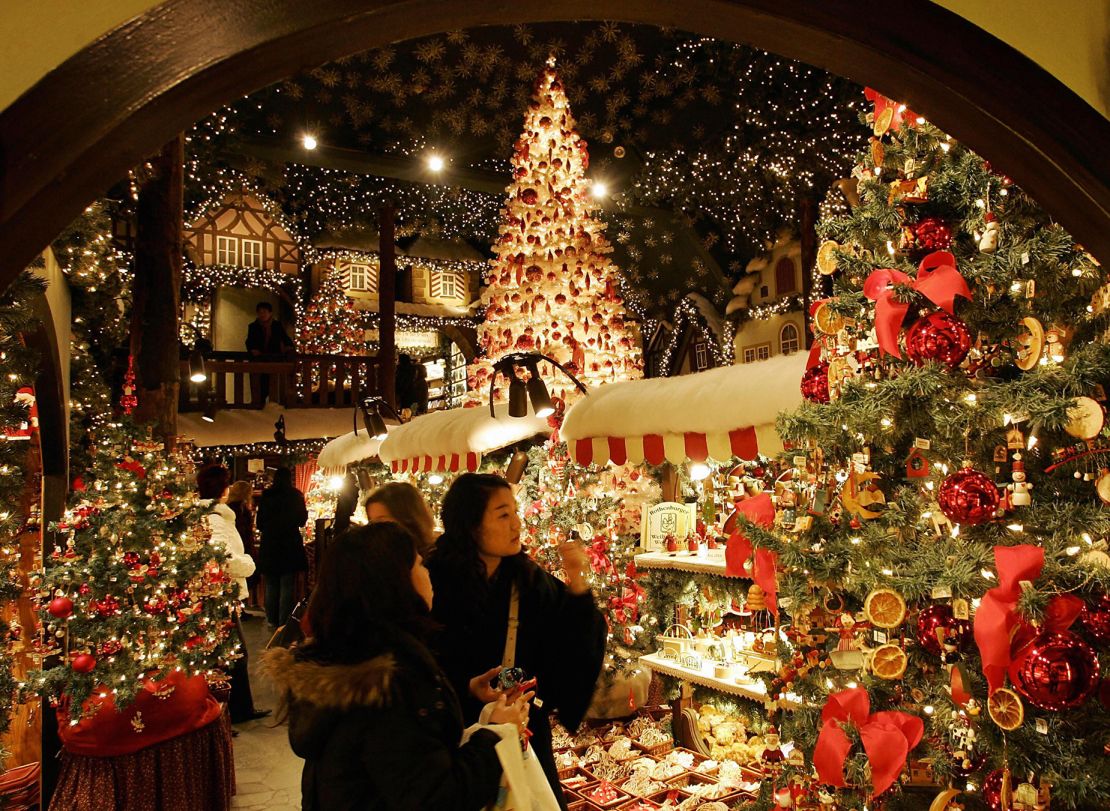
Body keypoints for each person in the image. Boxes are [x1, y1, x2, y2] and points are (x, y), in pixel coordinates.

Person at [262, 523, 532, 811]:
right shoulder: (390, 682)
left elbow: (397, 752)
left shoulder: (347, 655)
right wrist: (496, 734)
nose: (428, 573)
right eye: (418, 564)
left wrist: (462, 693)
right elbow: (437, 798)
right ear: (396, 581)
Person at [425, 473, 606, 809]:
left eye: (515, 512)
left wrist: (579, 585)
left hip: (520, 729)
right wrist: (464, 690)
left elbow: (572, 641)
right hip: (456, 734)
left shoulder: (526, 578)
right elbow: (420, 664)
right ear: (469, 523)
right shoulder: (433, 579)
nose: (517, 524)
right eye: (503, 514)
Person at [196, 463, 270, 724]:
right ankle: (234, 712)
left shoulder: (212, 517)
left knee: (229, 654)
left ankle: (234, 711)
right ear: (224, 490)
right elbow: (222, 559)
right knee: (233, 655)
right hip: (221, 595)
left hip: (218, 594)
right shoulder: (216, 521)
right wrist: (249, 563)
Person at [256, 466, 309, 628]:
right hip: (289, 542)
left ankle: (271, 619)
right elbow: (301, 520)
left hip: (270, 543)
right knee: (287, 583)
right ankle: (284, 620)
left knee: (271, 583)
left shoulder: (267, 495)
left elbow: (260, 523)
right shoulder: (296, 496)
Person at [364, 481, 437, 556]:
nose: (373, 529)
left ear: (406, 519)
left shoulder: (434, 559)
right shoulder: (380, 556)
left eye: (381, 522)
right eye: (371, 522)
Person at [246, 301, 294, 406]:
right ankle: (259, 403)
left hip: (274, 359)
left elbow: (285, 339)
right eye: (260, 312)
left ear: (270, 313)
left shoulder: (277, 326)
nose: (262, 314)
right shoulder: (253, 326)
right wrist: (253, 350)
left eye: (264, 312)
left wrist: (289, 348)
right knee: (259, 384)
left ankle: (273, 405)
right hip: (259, 360)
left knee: (273, 383)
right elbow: (249, 341)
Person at [226, 480, 260, 613]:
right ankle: (240, 608)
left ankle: (240, 608)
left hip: (240, 544)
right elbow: (243, 530)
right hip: (242, 545)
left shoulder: (230, 507)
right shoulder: (240, 509)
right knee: (242, 575)